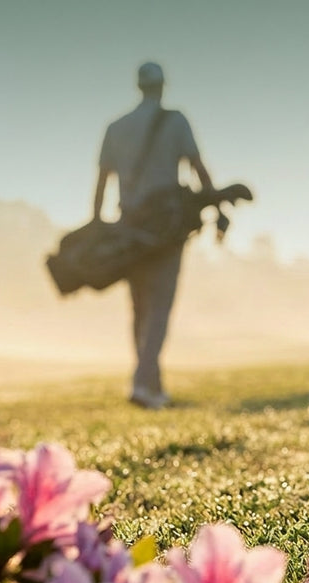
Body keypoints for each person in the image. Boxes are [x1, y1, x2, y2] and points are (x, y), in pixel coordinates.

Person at [91, 62, 213, 409]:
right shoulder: (176, 121)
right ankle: (143, 383)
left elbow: (101, 184)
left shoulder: (116, 128)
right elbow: (198, 168)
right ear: (162, 86)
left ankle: (152, 386)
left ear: (138, 86)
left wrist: (98, 227)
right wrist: (214, 203)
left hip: (128, 228)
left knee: (140, 309)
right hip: (166, 228)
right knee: (159, 308)